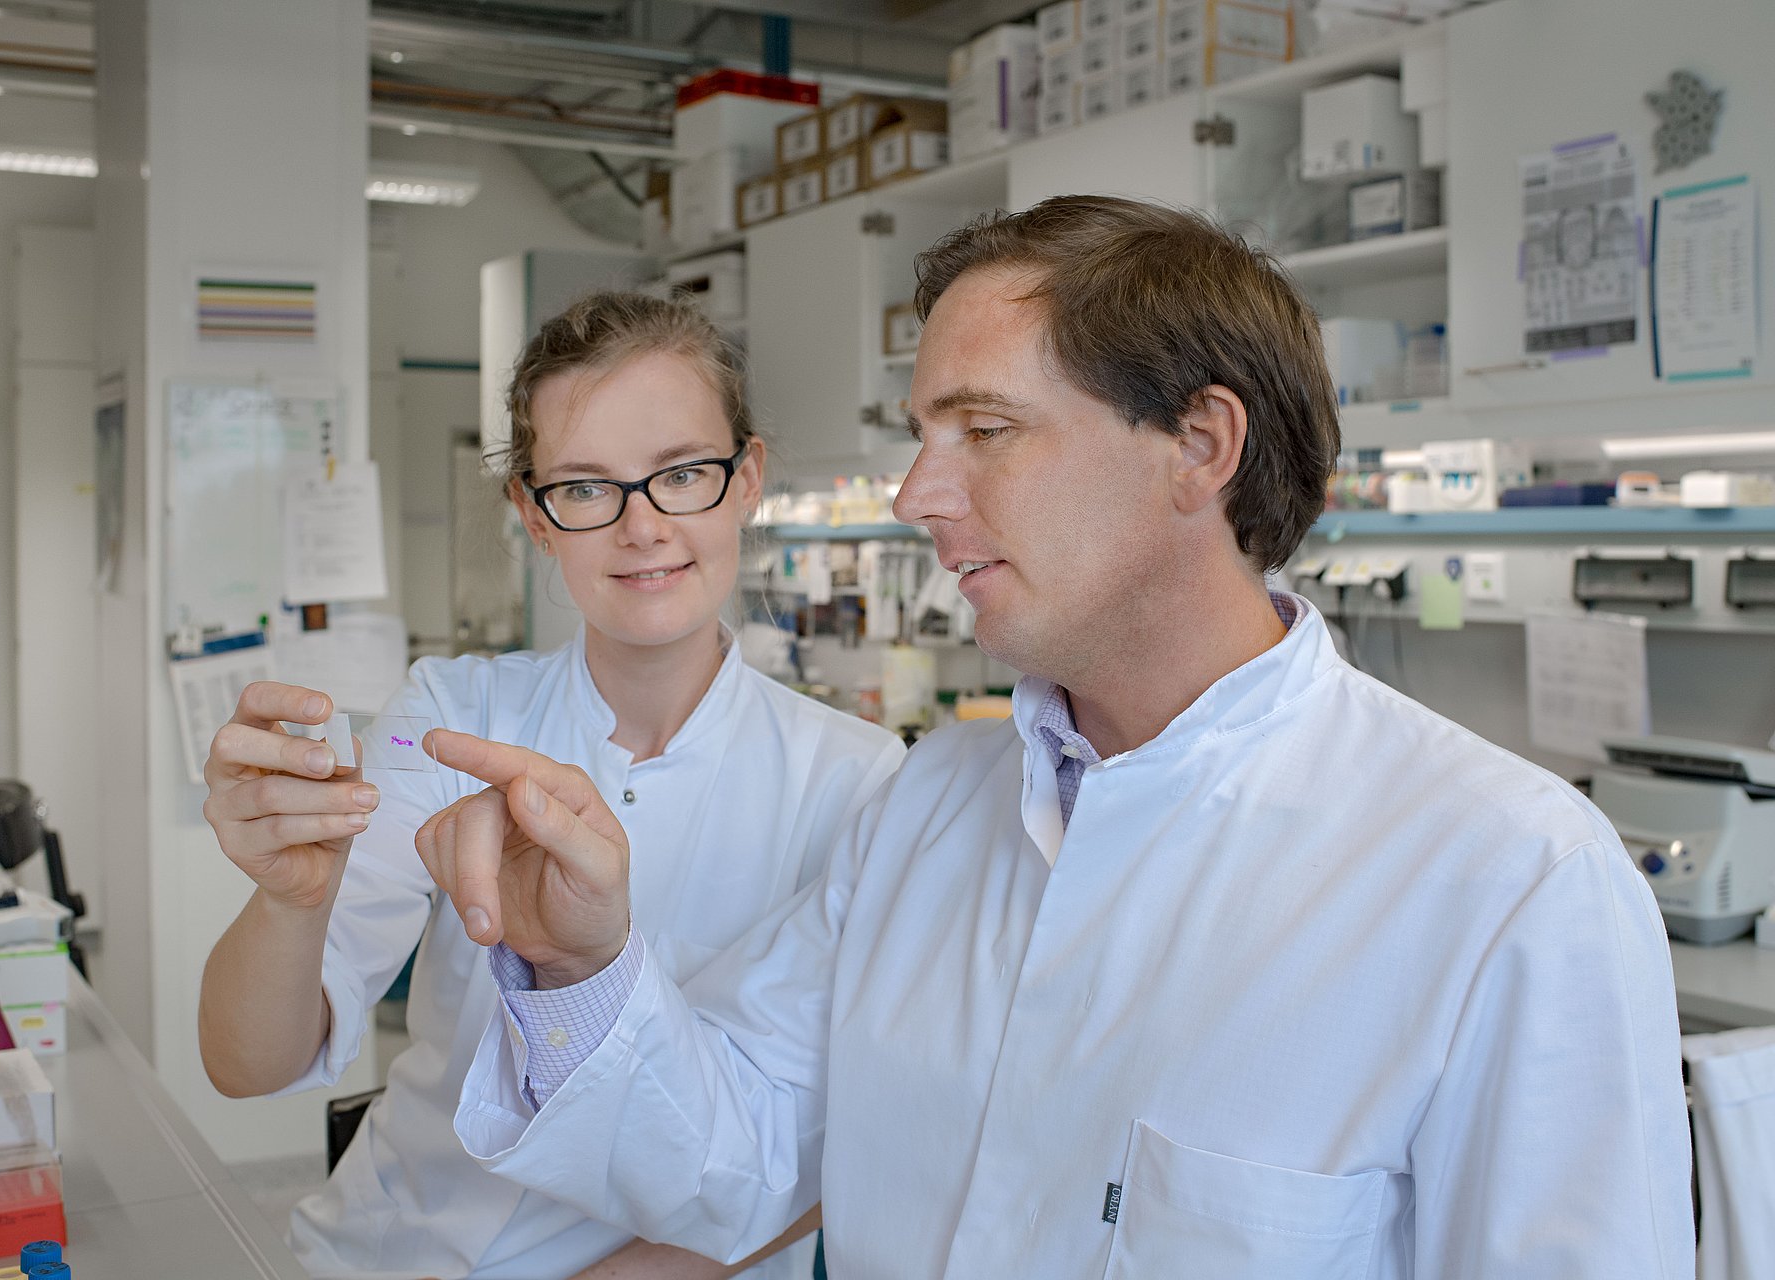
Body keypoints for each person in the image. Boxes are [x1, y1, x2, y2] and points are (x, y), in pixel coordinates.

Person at [417, 197, 1695, 1278]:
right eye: (921, 436)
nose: (919, 494)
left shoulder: (1508, 879)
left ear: (1199, 445)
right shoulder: (929, 806)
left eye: (984, 430)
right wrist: (579, 964)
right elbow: (736, 1154)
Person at [196, 291, 904, 1279]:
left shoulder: (861, 784)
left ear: (746, 480)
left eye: (682, 474)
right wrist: (288, 901)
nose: (642, 526)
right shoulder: (448, 710)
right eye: (585, 488)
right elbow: (246, 1064)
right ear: (534, 515)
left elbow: (852, 1143)